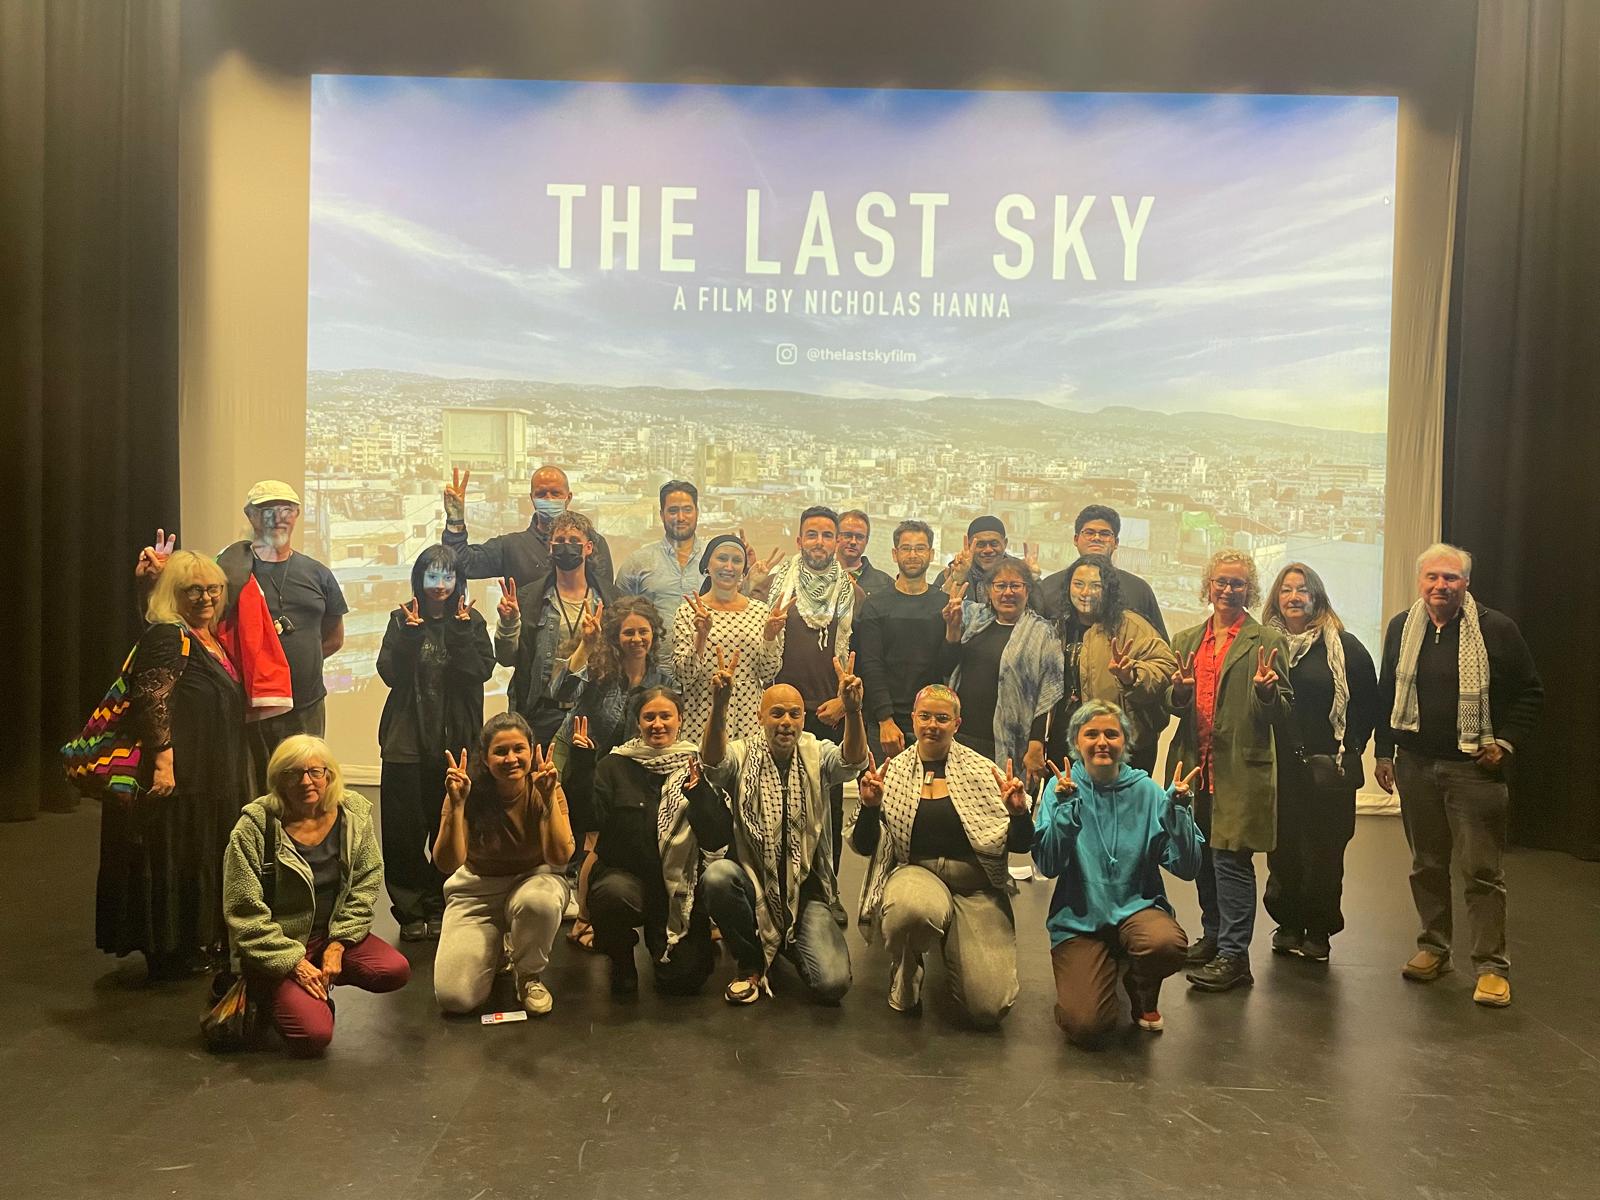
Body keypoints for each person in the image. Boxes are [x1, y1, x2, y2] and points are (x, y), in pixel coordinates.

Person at [1374, 543, 1543, 1007]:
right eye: (1432, 577)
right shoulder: (1401, 628)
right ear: (1420, 581)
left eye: (1450, 578)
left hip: (1472, 770)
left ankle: (1491, 967)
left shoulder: (1496, 629)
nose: (1440, 586)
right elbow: (1388, 690)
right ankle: (1434, 948)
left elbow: (1530, 691)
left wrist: (1504, 743)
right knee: (1426, 865)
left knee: (1482, 871)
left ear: (1466, 583)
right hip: (1414, 765)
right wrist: (1385, 752)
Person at [137, 480, 347, 793]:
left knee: (306, 789)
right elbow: (179, 618)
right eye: (266, 510)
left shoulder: (318, 574)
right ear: (250, 515)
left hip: (306, 704)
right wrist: (155, 583)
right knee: (250, 792)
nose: (278, 517)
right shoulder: (224, 572)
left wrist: (288, 669)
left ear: (298, 514)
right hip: (244, 707)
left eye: (286, 509)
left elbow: (333, 638)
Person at [98, 551, 250, 980]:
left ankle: (189, 941)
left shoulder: (207, 636)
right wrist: (164, 762)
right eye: (193, 590)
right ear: (174, 594)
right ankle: (167, 949)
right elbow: (153, 698)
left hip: (205, 774)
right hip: (176, 778)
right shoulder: (168, 634)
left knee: (193, 854)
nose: (206, 597)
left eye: (213, 589)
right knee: (170, 856)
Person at [850, 685, 1030, 1027]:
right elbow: (864, 845)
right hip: (918, 875)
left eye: (942, 718)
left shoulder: (981, 771)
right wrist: (870, 809)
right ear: (913, 719)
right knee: (913, 912)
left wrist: (1019, 814)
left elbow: (1020, 846)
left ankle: (955, 940)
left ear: (957, 724)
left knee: (989, 1009)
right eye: (925, 716)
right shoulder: (895, 771)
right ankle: (906, 967)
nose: (933, 724)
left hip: (975, 885)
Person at [222, 735, 410, 1056]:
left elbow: (365, 884)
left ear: (330, 775)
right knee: (315, 1035)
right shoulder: (255, 827)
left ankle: (313, 987)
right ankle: (268, 992)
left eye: (315, 772)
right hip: (278, 949)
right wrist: (294, 962)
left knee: (393, 970)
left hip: (327, 937)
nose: (306, 781)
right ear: (278, 780)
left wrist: (338, 943)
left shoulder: (352, 816)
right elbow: (244, 912)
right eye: (293, 773)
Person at [699, 656, 868, 1004]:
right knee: (717, 877)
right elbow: (713, 764)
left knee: (832, 985)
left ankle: (784, 939)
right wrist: (719, 707)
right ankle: (749, 962)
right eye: (777, 713)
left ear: (803, 719)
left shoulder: (817, 752)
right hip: (753, 881)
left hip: (806, 892)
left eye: (794, 714)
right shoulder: (742, 753)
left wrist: (853, 712)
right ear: (761, 717)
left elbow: (852, 761)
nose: (786, 722)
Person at [1033, 701, 1204, 1045]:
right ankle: (1101, 967)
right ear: (1076, 743)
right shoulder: (1061, 788)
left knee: (1165, 945)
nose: (1102, 742)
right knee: (1086, 1026)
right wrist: (1066, 812)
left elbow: (1187, 868)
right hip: (1078, 921)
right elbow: (1048, 865)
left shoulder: (1147, 791)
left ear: (1125, 743)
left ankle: (1140, 988)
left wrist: (1179, 814)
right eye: (1091, 734)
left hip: (1137, 909)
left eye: (1112, 734)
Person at [1166, 549, 1293, 992]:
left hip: (1241, 769)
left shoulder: (1267, 642)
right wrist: (1179, 693)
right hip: (1194, 766)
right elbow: (1172, 705)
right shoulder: (1185, 640)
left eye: (1237, 583)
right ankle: (1215, 937)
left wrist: (1266, 693)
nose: (1227, 589)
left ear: (1249, 589)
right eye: (1221, 581)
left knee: (1231, 860)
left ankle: (1236, 957)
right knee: (1202, 855)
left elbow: (1283, 710)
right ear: (1208, 585)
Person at [566, 687, 725, 996]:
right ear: (637, 722)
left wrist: (700, 796)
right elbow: (587, 820)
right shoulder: (614, 765)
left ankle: (663, 945)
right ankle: (622, 959)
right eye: (648, 717)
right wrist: (583, 765)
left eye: (665, 716)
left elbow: (717, 836)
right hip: (628, 881)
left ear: (679, 719)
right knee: (612, 894)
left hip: (679, 889)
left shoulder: (698, 764)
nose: (657, 724)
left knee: (684, 979)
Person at [1260, 562, 1380, 963]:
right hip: (1279, 769)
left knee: (1325, 853)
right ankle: (1288, 923)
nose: (1294, 597)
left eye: (1303, 590)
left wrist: (1352, 748)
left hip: (1330, 770)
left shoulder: (1346, 648)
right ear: (1276, 597)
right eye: (1286, 590)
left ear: (1317, 598)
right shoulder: (1263, 645)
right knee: (1283, 851)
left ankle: (1318, 929)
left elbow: (1367, 705)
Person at [375, 545, 496, 942]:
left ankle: (444, 904)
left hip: (456, 742)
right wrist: (409, 636)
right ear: (419, 579)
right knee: (404, 832)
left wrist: (461, 634)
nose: (440, 585)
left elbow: (479, 671)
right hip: (405, 742)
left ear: (458, 580)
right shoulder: (401, 619)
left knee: (450, 824)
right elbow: (390, 674)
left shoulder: (471, 621)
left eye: (447, 576)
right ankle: (410, 910)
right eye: (432, 576)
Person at [432, 714, 576, 1016]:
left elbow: (559, 858)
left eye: (518, 749)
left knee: (539, 902)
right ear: (484, 758)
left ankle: (528, 975)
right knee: (455, 998)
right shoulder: (466, 792)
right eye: (500, 751)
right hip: (477, 890)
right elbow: (447, 863)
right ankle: (497, 950)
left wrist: (549, 799)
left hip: (534, 880)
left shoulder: (545, 787)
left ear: (531, 750)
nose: (511, 758)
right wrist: (457, 806)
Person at [766, 506, 859, 881]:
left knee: (827, 809)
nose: (819, 542)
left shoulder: (853, 594)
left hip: (827, 713)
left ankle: (826, 888)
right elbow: (762, 645)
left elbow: (860, 653)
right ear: (799, 539)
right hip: (782, 714)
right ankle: (775, 884)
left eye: (826, 535)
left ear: (837, 542)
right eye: (812, 534)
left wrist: (843, 701)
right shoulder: (776, 585)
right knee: (776, 804)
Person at [1044, 553, 1176, 779]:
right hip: (1065, 739)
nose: (1085, 593)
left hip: (1117, 745)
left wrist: (1131, 675)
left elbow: (1165, 667)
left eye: (1096, 586)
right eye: (1078, 585)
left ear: (1109, 589)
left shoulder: (1130, 626)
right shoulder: (1057, 627)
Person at [495, 510, 615, 748]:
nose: (566, 546)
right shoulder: (529, 599)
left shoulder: (609, 598)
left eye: (574, 541)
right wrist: (508, 623)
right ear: (550, 547)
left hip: (593, 711)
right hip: (542, 713)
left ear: (588, 547)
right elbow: (507, 658)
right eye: (559, 541)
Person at [942, 555, 1063, 778]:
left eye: (1016, 585)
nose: (1008, 592)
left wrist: (1036, 745)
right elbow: (946, 668)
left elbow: (1049, 693)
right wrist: (952, 630)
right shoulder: (972, 618)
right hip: (961, 737)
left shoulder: (1043, 633)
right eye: (1000, 585)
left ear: (1027, 590)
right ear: (989, 590)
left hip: (1012, 743)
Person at [672, 533, 786, 749]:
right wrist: (701, 637)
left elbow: (768, 673)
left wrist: (770, 637)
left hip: (749, 715)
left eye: (737, 561)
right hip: (702, 712)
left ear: (744, 570)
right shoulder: (689, 612)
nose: (729, 566)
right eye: (722, 558)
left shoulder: (761, 611)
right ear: (707, 565)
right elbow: (683, 675)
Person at [854, 520, 952, 759]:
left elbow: (947, 667)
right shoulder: (876, 604)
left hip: (932, 722)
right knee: (881, 793)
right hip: (886, 725)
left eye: (920, 548)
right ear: (895, 554)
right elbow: (871, 664)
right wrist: (884, 719)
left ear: (931, 554)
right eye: (906, 548)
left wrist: (954, 630)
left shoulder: (944, 604)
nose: (913, 555)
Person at [442, 463, 616, 593]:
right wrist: (455, 520)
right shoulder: (511, 546)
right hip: (528, 637)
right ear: (532, 498)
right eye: (541, 494)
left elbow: (605, 594)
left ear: (568, 497)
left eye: (555, 493)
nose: (548, 499)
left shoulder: (594, 542)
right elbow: (462, 564)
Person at [1038, 505, 1167, 639]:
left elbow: (1159, 648)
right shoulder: (1049, 587)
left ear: (1116, 542)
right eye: (1089, 532)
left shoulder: (1138, 590)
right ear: (1076, 539)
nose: (1096, 538)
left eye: (1105, 534)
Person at [615, 480, 707, 629]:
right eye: (673, 511)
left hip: (709, 651)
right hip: (653, 652)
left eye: (687, 509)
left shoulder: (715, 559)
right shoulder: (637, 562)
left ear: (697, 512)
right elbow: (618, 616)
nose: (681, 517)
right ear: (662, 515)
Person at [934, 516, 1042, 627]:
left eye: (994, 544)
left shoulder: (1020, 571)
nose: (988, 550)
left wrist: (1033, 577)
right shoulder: (953, 572)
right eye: (980, 545)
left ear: (1005, 543)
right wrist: (957, 578)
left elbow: (1040, 610)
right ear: (970, 545)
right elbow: (935, 612)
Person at [836, 509, 895, 598]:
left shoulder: (886, 585)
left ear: (866, 541)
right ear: (835, 536)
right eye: (847, 535)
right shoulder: (817, 578)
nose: (853, 542)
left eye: (860, 537)